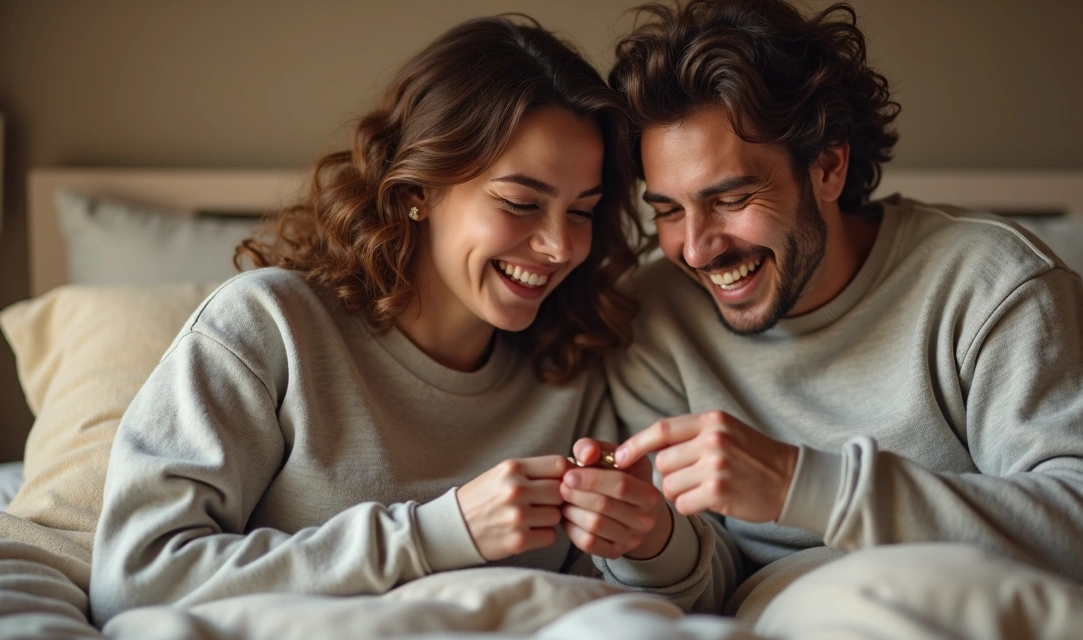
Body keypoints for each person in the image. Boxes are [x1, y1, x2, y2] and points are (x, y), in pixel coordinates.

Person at [565, 0, 1083, 613]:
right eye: (668, 210)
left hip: (957, 601)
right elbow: (709, 579)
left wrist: (804, 486)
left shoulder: (992, 284)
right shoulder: (655, 318)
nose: (696, 249)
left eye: (732, 198)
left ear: (828, 166)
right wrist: (652, 540)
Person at [89, 15, 661, 625]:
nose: (559, 246)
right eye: (521, 203)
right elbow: (136, 580)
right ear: (419, 188)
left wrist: (651, 543)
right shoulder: (269, 328)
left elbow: (629, 605)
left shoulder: (573, 367)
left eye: (582, 212)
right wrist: (437, 534)